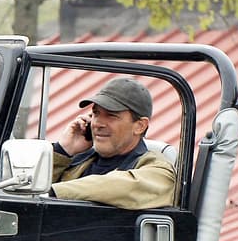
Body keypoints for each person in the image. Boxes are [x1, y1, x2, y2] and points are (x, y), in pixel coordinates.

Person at [49, 76, 175, 209]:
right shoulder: (78, 160)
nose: (97, 123)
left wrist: (52, 193)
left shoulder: (159, 171)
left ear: (140, 126)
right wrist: (63, 150)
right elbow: (29, 187)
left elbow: (120, 187)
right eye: (96, 113)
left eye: (111, 115)